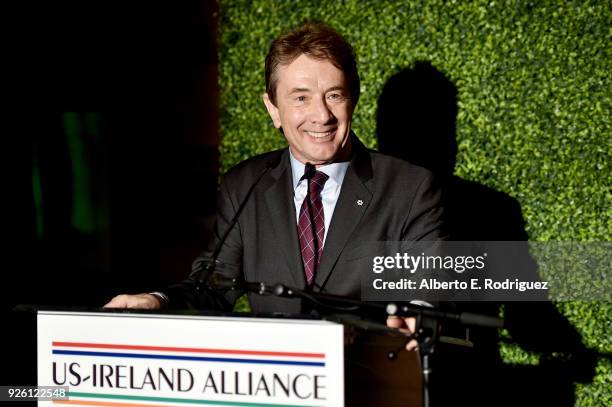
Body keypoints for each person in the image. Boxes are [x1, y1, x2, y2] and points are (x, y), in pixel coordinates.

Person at [105, 21, 445, 349]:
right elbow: (213, 287)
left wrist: (418, 315)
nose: (321, 115)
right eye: (300, 98)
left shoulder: (410, 189)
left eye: (334, 95)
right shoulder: (245, 185)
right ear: (273, 109)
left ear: (352, 99)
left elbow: (430, 292)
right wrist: (157, 301)